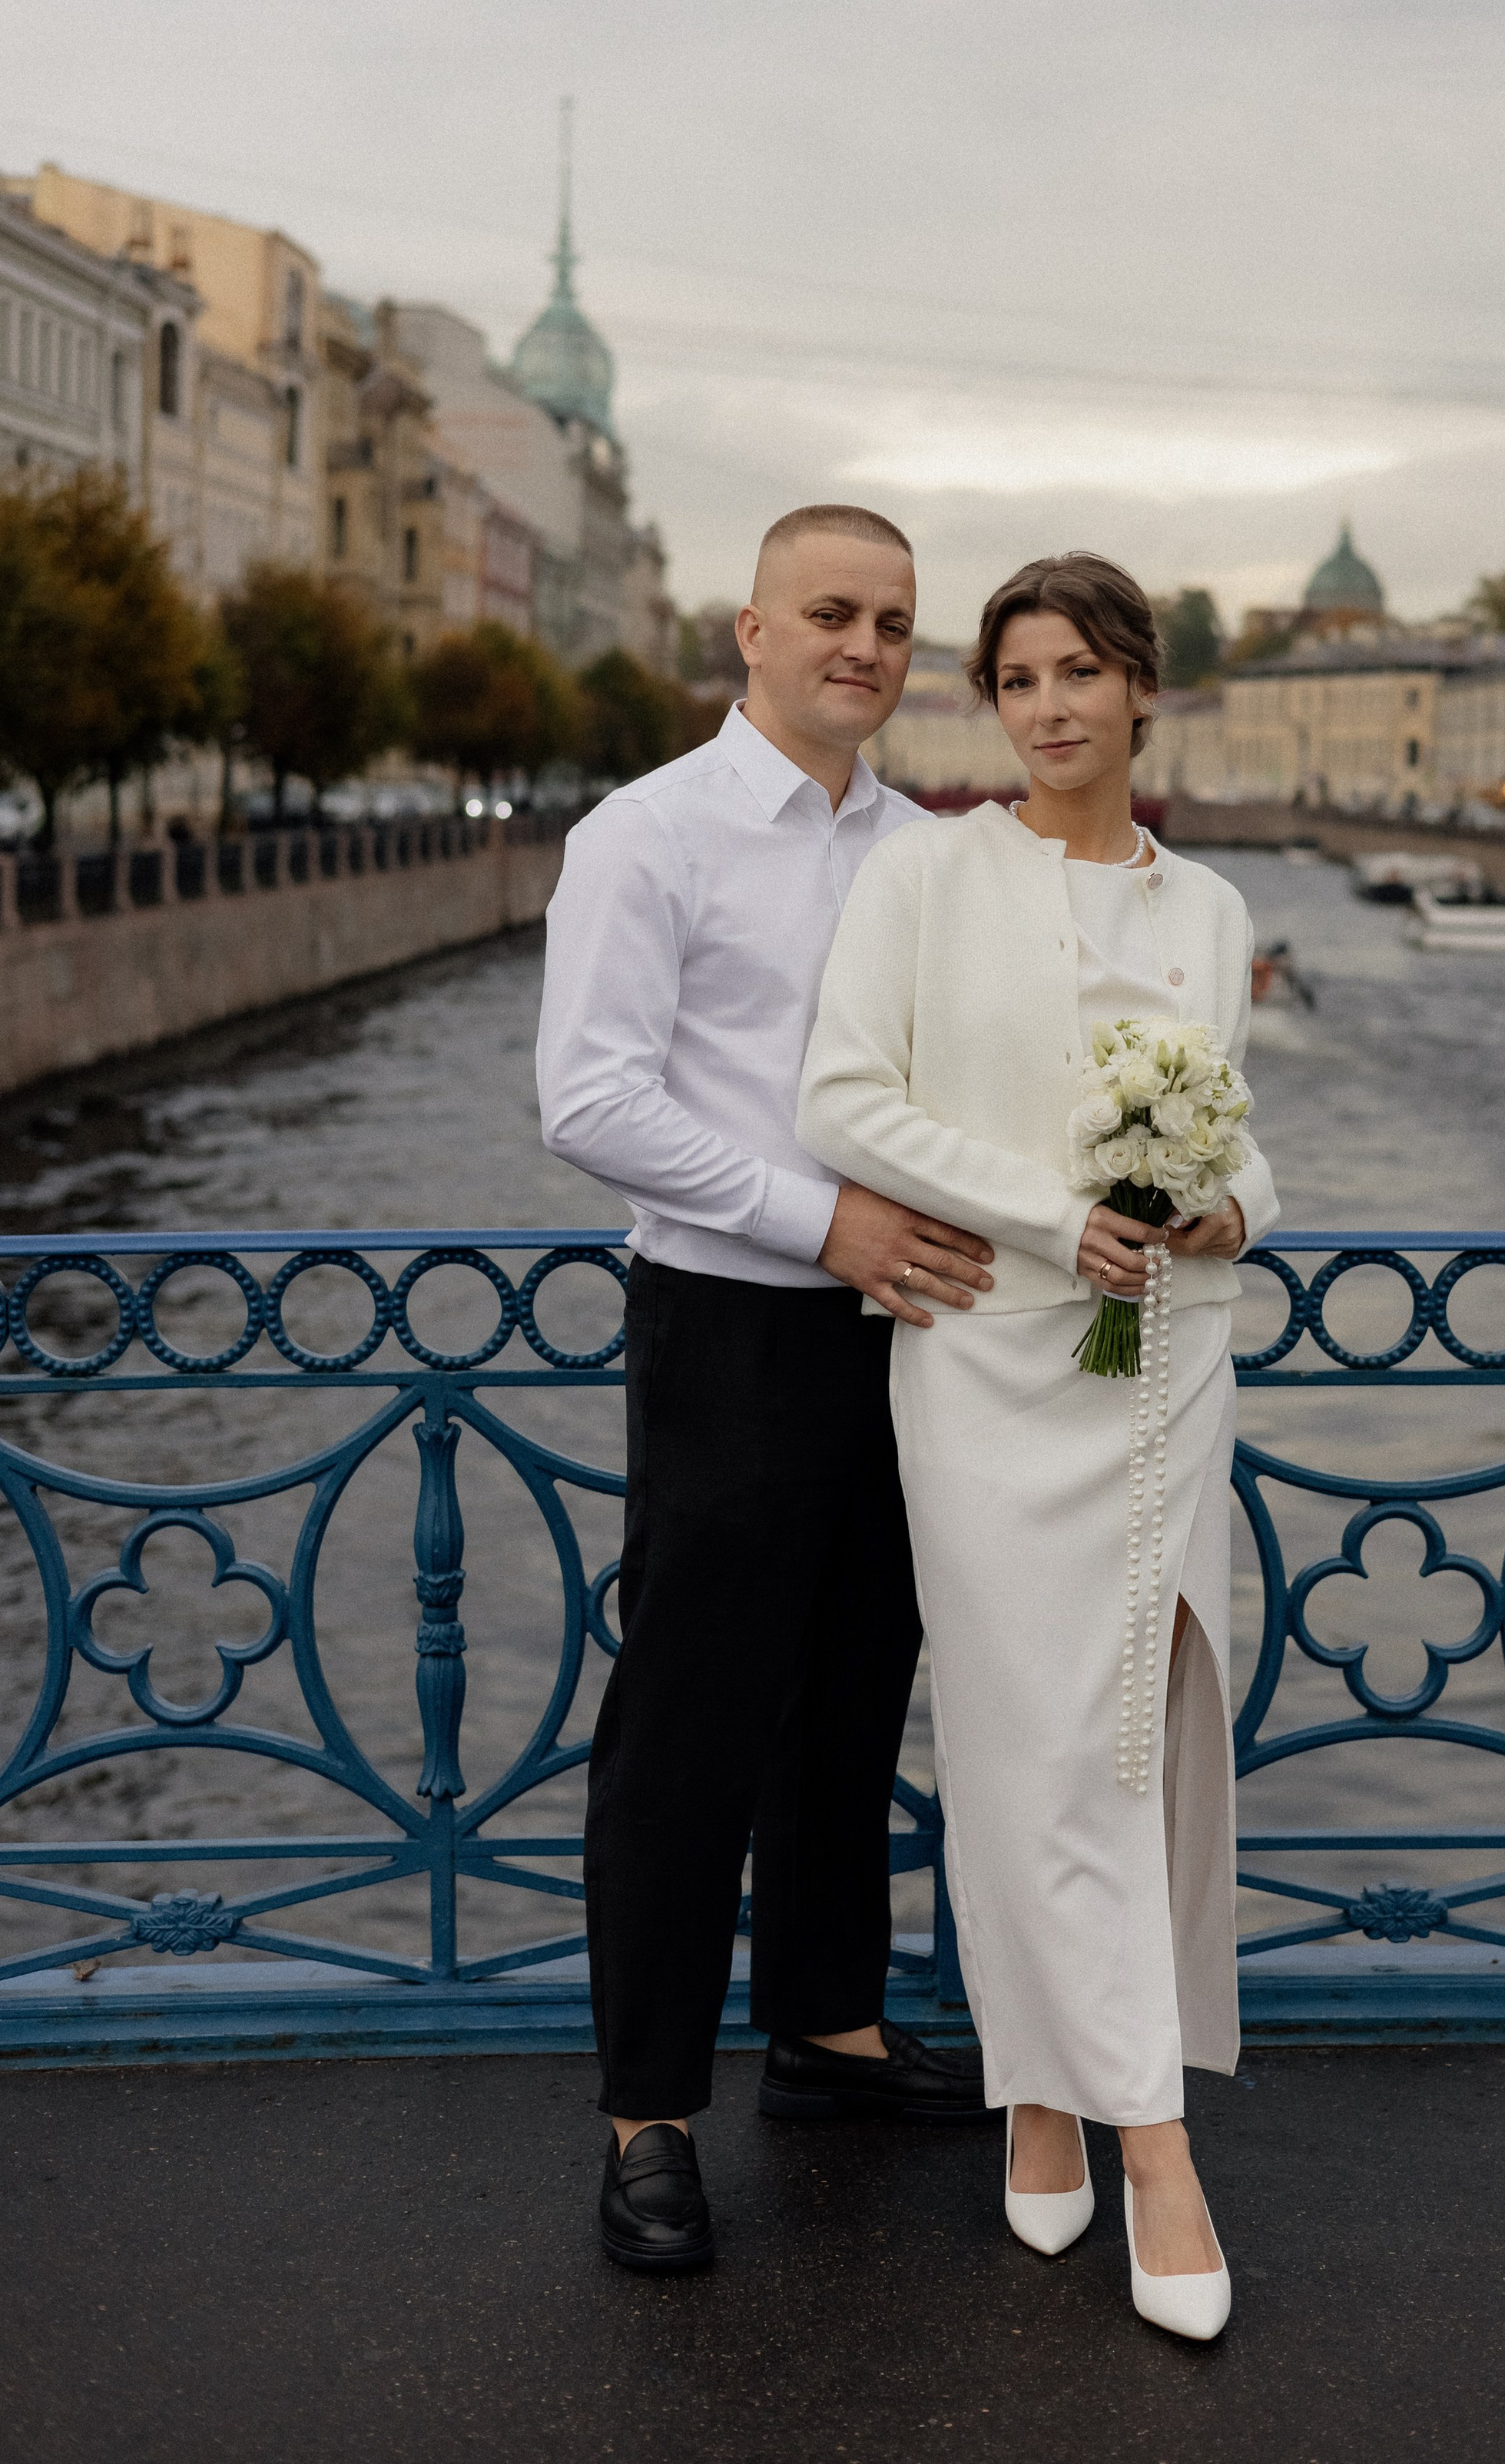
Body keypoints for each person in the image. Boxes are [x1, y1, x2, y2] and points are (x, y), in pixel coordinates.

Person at [797, 551, 1278, 2340]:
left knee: (1136, 1740)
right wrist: (1042, 1215)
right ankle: (1154, 2139)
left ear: (1140, 686)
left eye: (1080, 672)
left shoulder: (1212, 910)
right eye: (1015, 680)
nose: (1050, 708)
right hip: (993, 1363)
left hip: (1163, 1370)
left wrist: (1225, 1214)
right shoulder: (927, 873)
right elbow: (844, 1098)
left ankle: (1046, 2082)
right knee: (1025, 1743)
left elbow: (1240, 1145)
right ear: (988, 707)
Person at [536, 503, 993, 2277]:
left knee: (852, 1693)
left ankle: (828, 2034)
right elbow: (589, 1098)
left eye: (890, 620)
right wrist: (827, 1224)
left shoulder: (929, 852)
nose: (863, 646)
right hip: (729, 1323)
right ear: (748, 632)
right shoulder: (642, 834)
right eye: (828, 613)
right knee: (686, 1731)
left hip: (904, 1328)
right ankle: (647, 2116)